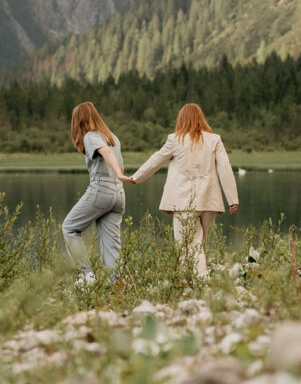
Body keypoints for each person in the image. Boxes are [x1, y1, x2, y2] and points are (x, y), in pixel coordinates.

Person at [129, 103, 239, 277]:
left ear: (181, 119)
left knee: (189, 245)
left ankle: (200, 282)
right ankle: (191, 281)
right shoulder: (214, 139)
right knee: (198, 244)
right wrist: (232, 198)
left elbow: (155, 160)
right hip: (209, 201)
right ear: (201, 118)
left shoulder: (175, 139)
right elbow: (225, 167)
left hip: (184, 201)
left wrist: (136, 177)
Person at [62, 101, 129, 284]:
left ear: (79, 121)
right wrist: (119, 176)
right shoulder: (112, 136)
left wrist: (117, 175)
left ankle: (87, 275)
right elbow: (119, 163)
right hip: (118, 195)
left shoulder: (90, 136)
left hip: (102, 189)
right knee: (110, 243)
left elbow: (106, 152)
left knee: (69, 228)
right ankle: (116, 284)